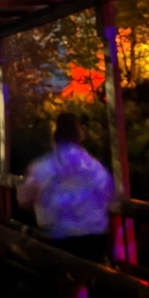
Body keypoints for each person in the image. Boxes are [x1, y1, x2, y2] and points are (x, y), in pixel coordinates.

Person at [17, 112, 115, 262]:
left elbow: (23, 200)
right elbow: (109, 195)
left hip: (58, 240)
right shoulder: (95, 166)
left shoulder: (43, 167)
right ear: (79, 137)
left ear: (54, 138)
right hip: (95, 241)